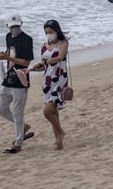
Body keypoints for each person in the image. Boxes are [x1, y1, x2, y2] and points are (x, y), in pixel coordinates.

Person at [0, 14, 35, 154]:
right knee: (1, 109)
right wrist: (1, 55)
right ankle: (23, 127)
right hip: (8, 78)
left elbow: (26, 62)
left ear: (21, 24)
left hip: (21, 80)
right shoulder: (8, 37)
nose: (15, 29)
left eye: (17, 26)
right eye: (12, 27)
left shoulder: (27, 40)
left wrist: (8, 57)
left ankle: (18, 143)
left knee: (18, 113)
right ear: (8, 26)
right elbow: (10, 53)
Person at [29, 19, 70, 150]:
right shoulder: (43, 46)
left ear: (56, 31)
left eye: (50, 32)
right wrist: (33, 68)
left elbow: (59, 58)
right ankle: (59, 142)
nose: (48, 34)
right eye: (46, 32)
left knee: (47, 112)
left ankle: (61, 133)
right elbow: (45, 66)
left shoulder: (63, 43)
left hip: (59, 79)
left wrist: (45, 62)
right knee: (54, 112)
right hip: (47, 81)